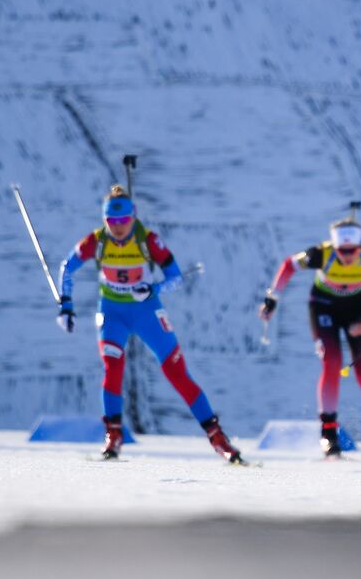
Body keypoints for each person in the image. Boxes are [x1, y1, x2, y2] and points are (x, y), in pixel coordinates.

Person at [57, 185, 241, 463]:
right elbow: (66, 267)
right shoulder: (96, 241)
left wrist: (154, 289)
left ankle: (217, 437)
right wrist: (66, 306)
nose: (118, 228)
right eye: (111, 222)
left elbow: (176, 277)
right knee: (113, 368)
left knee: (176, 373)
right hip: (112, 313)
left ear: (133, 217)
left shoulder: (149, 240)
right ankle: (114, 434)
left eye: (123, 221)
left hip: (146, 312)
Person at [260, 215, 361, 458]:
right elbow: (288, 266)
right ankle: (328, 434)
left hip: (358, 310)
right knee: (332, 362)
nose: (347, 257)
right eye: (342, 251)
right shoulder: (320, 254)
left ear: (360, 247)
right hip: (323, 306)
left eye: (352, 251)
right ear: (334, 247)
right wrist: (272, 298)